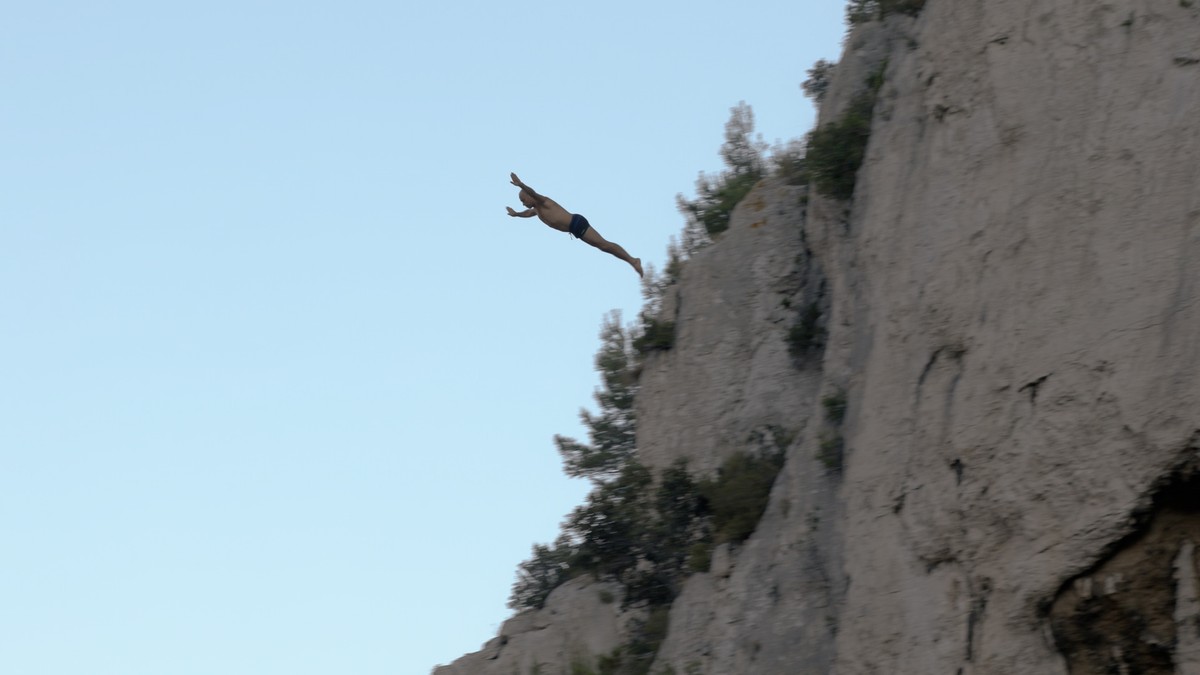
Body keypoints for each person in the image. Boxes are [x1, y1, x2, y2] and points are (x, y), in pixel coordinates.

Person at [506, 173, 643, 277]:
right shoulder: (537, 210)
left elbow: (533, 193)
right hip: (574, 228)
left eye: (523, 200)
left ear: (529, 196)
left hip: (576, 223)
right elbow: (528, 213)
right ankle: (632, 261)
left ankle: (633, 261)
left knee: (604, 244)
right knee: (603, 247)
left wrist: (521, 184)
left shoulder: (543, 202)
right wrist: (516, 214)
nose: (523, 203)